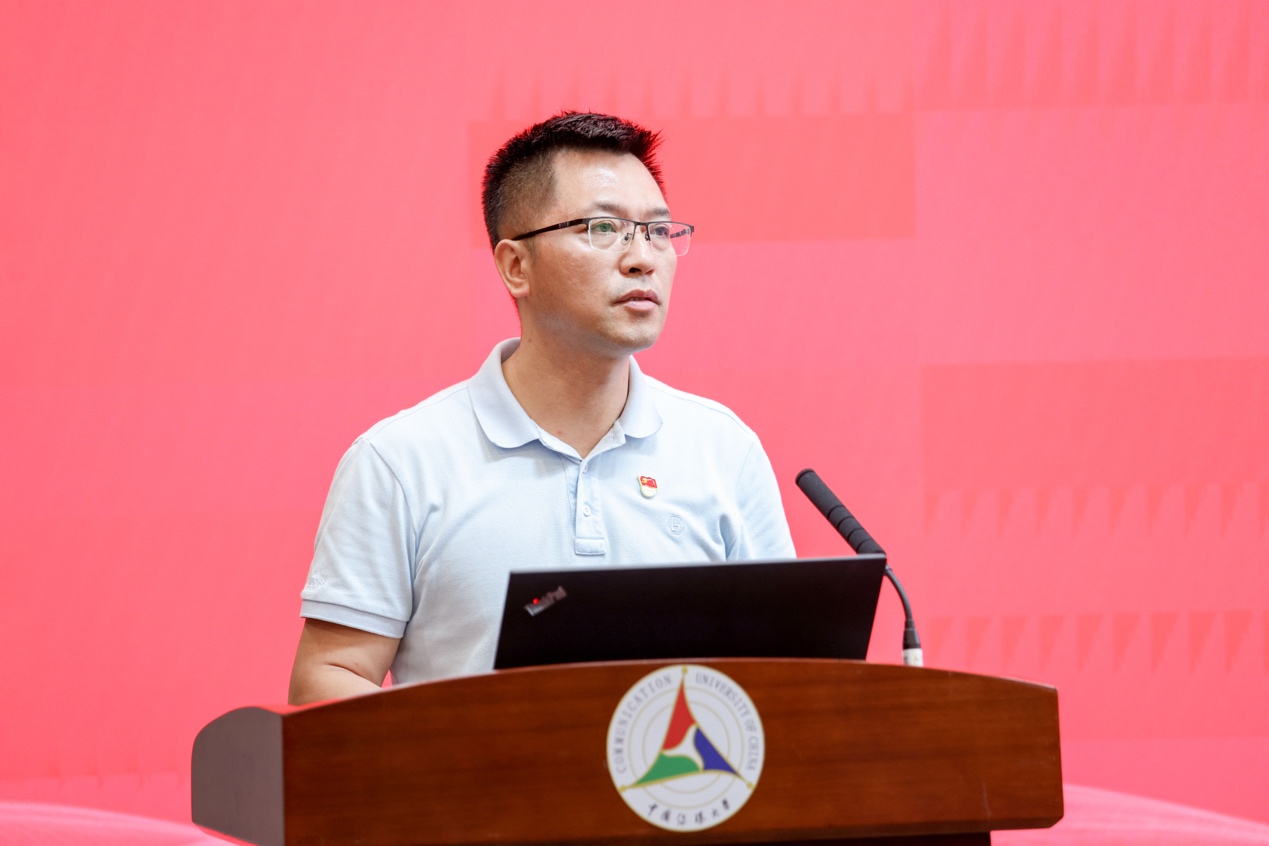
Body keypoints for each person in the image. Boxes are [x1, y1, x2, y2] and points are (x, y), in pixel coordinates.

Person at [288, 112, 795, 705]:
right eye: (604, 228)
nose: (643, 257)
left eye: (658, 230)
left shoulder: (723, 449)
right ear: (516, 266)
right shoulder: (400, 461)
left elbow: (787, 665)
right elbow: (327, 677)